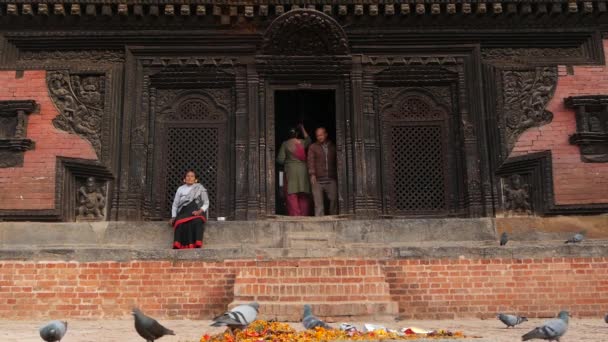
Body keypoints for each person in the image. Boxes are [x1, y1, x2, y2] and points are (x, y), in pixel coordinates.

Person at [277, 124, 311, 216]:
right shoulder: (302, 142)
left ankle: (296, 218)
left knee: (292, 195)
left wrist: (289, 161)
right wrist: (302, 128)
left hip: (291, 173)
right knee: (303, 195)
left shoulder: (285, 144)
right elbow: (309, 140)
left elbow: (280, 160)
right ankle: (304, 218)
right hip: (303, 172)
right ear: (297, 134)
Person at [170, 170, 209, 249]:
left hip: (197, 210)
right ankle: (178, 244)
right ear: (184, 179)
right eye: (188, 176)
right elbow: (175, 204)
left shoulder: (200, 188)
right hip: (184, 211)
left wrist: (199, 211)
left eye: (192, 176)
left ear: (195, 179)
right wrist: (173, 216)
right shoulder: (180, 189)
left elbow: (206, 203)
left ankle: (197, 243)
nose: (189, 178)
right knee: (180, 223)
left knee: (197, 221)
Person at [307, 127, 338, 216]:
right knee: (318, 204)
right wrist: (312, 174)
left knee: (334, 200)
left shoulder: (333, 147)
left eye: (321, 135)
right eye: (317, 136)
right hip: (317, 179)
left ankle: (333, 219)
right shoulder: (313, 147)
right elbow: (310, 161)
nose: (319, 137)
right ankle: (319, 223)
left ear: (326, 134)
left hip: (331, 178)